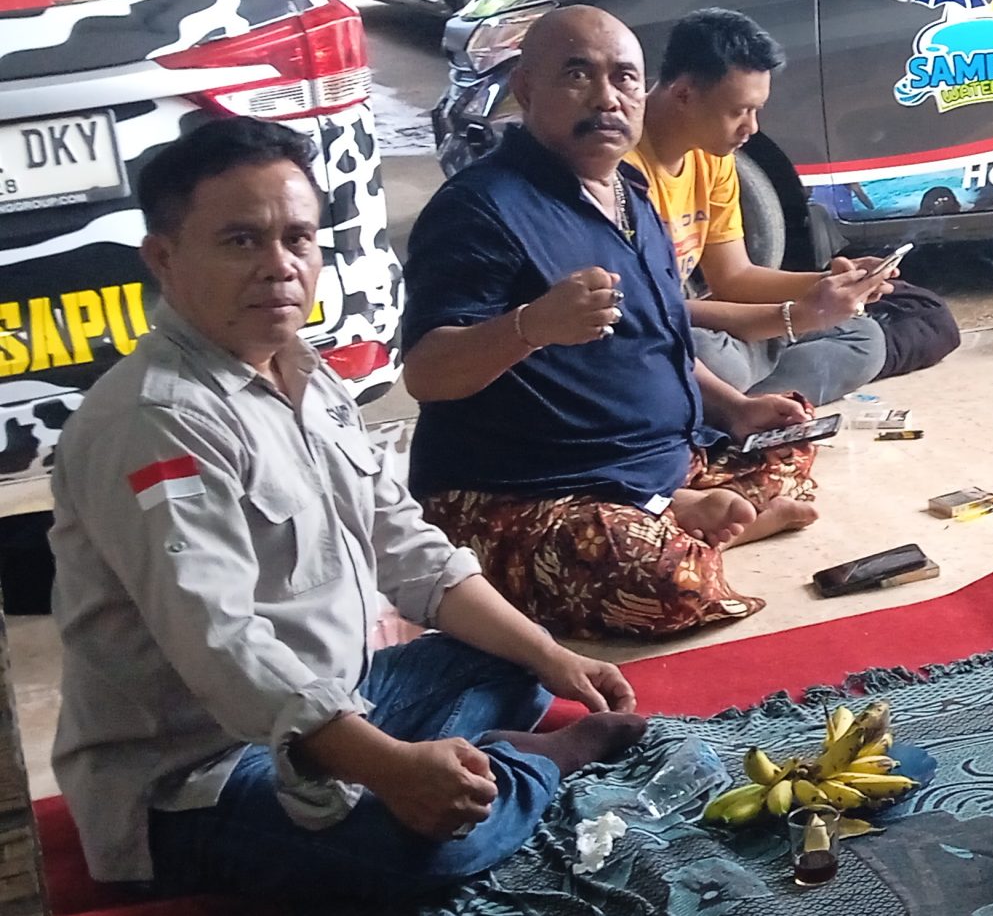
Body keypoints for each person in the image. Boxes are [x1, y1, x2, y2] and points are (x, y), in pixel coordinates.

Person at [48, 117, 646, 902]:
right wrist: (391, 768)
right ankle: (538, 762)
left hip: (345, 698)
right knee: (427, 855)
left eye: (299, 239)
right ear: (164, 259)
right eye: (240, 241)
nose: (280, 267)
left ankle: (446, 767)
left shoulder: (304, 375)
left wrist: (554, 657)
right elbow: (223, 643)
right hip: (199, 775)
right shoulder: (154, 420)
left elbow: (408, 547)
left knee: (513, 657)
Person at [402, 7, 823, 639]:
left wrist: (735, 409)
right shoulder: (479, 209)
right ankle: (689, 524)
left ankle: (675, 508)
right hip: (524, 492)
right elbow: (427, 375)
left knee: (791, 430)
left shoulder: (630, 191)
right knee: (667, 584)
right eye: (578, 75)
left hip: (653, 461)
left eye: (625, 79)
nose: (607, 98)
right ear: (526, 89)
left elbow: (663, 338)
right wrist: (530, 326)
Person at [638, 8, 958, 405]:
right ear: (684, 94)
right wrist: (795, 318)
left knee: (864, 337)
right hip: (661, 332)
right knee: (711, 359)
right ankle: (726, 403)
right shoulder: (618, 167)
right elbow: (650, 313)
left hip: (713, 333)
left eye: (757, 110)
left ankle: (724, 404)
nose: (751, 128)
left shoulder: (711, 156)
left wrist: (827, 286)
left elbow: (734, 278)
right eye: (739, 111)